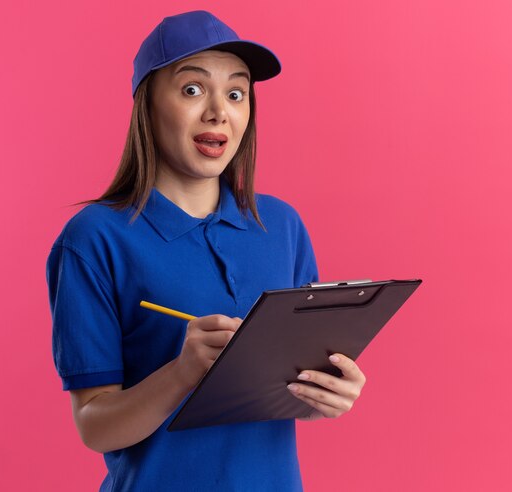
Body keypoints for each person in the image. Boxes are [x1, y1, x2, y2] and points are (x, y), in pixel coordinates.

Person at [47, 10, 366, 492]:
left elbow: (290, 389)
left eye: (236, 93)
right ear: (147, 105)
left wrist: (330, 393)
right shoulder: (93, 239)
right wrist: (181, 373)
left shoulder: (282, 226)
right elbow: (95, 425)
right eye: (192, 89)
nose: (219, 111)